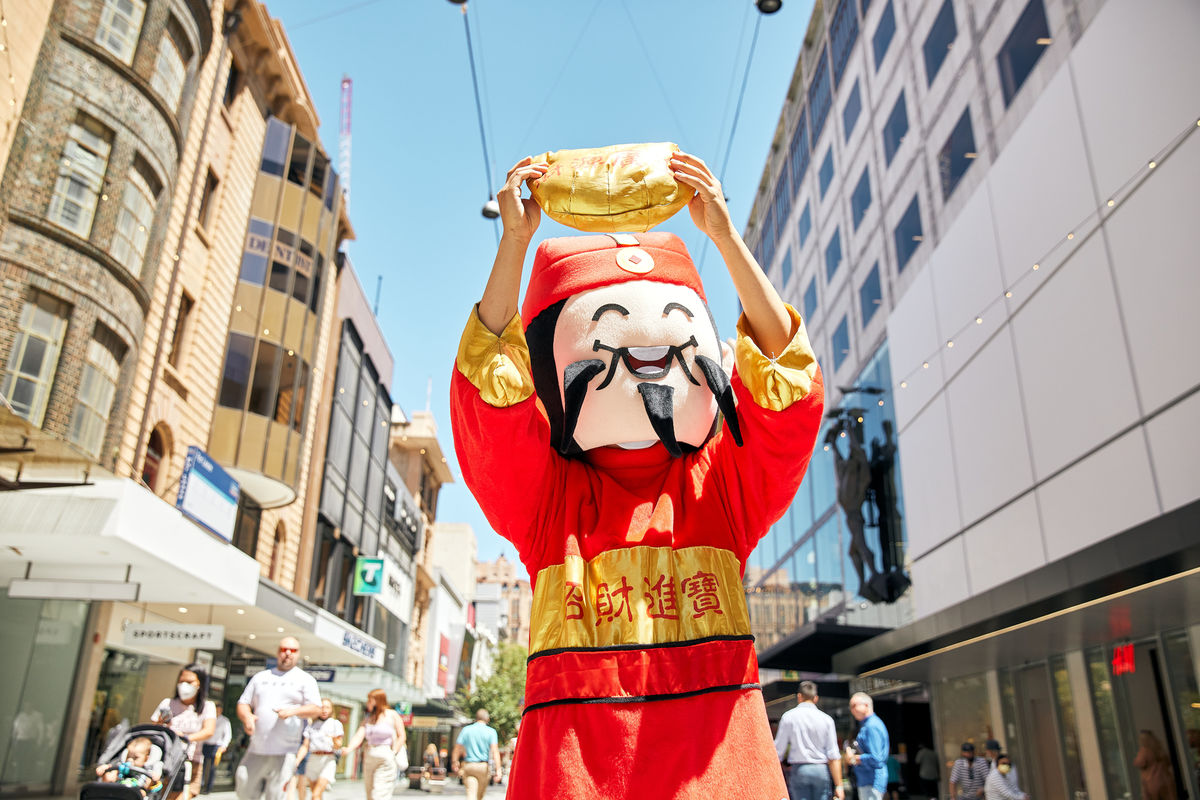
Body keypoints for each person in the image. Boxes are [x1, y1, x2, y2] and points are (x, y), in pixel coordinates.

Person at [450, 147, 823, 797]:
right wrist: (513, 245)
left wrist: (726, 239)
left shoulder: (720, 488)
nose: (650, 351)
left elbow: (787, 386)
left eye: (676, 333)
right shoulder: (551, 506)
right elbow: (489, 399)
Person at [235, 637, 323, 800]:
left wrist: (293, 711)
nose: (287, 653)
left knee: (276, 795)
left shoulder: (305, 679)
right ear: (277, 652)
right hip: (256, 748)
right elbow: (243, 703)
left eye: (293, 650)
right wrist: (247, 717)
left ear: (298, 654)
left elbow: (316, 708)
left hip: (285, 751)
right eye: (283, 649)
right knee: (243, 785)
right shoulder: (261, 677)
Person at [153, 663, 216, 800]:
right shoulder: (167, 703)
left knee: (182, 796)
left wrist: (186, 737)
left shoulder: (207, 707)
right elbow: (155, 729)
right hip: (165, 760)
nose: (184, 685)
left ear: (200, 683)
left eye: (189, 682)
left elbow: (208, 730)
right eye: (181, 681)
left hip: (190, 761)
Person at [774, 681, 844, 800]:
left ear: (799, 696)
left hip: (799, 770)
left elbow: (778, 751)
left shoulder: (788, 717)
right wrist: (839, 785)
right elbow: (833, 755)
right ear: (816, 698)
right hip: (821, 770)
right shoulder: (827, 720)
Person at [344, 689, 406, 800]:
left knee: (379, 794)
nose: (367, 703)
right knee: (370, 794)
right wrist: (348, 749)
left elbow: (402, 735)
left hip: (385, 756)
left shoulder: (392, 715)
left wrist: (394, 752)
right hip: (369, 757)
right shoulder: (369, 719)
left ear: (378, 700)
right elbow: (359, 735)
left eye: (370, 700)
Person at [295, 700, 343, 800]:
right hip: (313, 760)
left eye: (327, 707)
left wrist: (334, 739)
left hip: (327, 760)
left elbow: (339, 745)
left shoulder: (335, 724)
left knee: (315, 795)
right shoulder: (311, 725)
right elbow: (305, 746)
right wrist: (296, 761)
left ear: (331, 710)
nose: (324, 710)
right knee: (315, 794)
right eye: (322, 707)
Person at [847, 693, 889, 800]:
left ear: (866, 705)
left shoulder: (872, 726)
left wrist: (855, 758)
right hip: (867, 780)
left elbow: (877, 758)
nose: (852, 710)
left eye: (854, 705)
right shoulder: (868, 725)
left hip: (871, 781)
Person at [451, 709, 500, 800]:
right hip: (483, 767)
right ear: (487, 719)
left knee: (471, 794)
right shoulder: (491, 731)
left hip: (469, 766)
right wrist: (498, 770)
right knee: (479, 796)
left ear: (476, 718)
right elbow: (495, 751)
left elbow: (457, 748)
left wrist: (455, 762)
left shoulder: (466, 730)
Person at [97, 735, 162, 797]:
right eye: (128, 756)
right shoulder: (121, 766)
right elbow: (110, 773)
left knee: (143, 791)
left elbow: (155, 783)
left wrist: (154, 778)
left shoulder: (148, 771)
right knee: (109, 777)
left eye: (135, 757)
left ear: (146, 758)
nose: (130, 759)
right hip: (118, 791)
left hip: (137, 792)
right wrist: (104, 769)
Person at [1134, 730, 1177, 800]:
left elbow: (1140, 763)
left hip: (1152, 781)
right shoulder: (1159, 748)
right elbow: (1168, 762)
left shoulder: (1144, 751)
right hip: (1166, 780)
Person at [201, 703, 232, 794]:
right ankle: (201, 785)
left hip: (216, 746)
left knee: (212, 768)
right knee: (202, 766)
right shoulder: (207, 718)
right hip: (205, 744)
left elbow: (227, 735)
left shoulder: (225, 721)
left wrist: (224, 746)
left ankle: (208, 788)